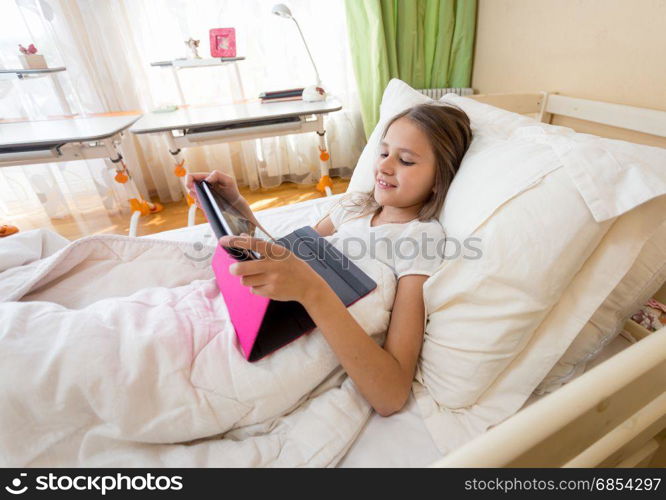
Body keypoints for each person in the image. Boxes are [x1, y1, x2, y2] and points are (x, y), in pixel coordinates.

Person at [186, 103, 472, 416]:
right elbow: (291, 256)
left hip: (305, 325)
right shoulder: (354, 206)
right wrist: (238, 210)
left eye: (405, 160)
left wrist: (313, 291)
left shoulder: (420, 238)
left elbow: (391, 395)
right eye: (383, 152)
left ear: (438, 180)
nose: (385, 167)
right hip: (263, 311)